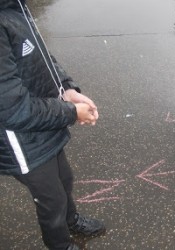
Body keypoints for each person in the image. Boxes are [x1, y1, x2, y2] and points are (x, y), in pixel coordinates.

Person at [0, 0, 105, 249]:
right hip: (20, 141)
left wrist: (67, 88)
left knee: (64, 179)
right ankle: (59, 244)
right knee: (52, 199)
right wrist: (71, 113)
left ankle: (71, 220)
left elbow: (42, 58)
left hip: (44, 123)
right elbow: (14, 109)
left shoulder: (14, 6)